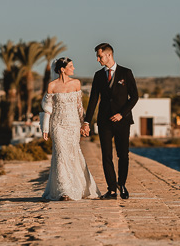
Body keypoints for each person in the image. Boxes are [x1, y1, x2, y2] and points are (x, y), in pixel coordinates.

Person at [81, 43, 139, 200]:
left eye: (99, 56)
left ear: (108, 55)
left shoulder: (126, 73)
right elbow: (93, 99)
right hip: (104, 122)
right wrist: (87, 122)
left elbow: (134, 97)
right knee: (106, 155)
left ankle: (123, 185)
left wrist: (122, 113)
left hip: (123, 121)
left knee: (123, 155)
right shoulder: (98, 76)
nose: (98, 59)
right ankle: (112, 190)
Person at [39, 57, 99, 201]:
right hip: (58, 125)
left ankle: (79, 186)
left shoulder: (76, 84)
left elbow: (79, 107)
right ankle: (63, 191)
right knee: (61, 155)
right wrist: (45, 128)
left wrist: (85, 124)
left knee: (73, 154)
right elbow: (48, 109)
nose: (73, 69)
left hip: (73, 124)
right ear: (62, 69)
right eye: (71, 66)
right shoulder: (52, 86)